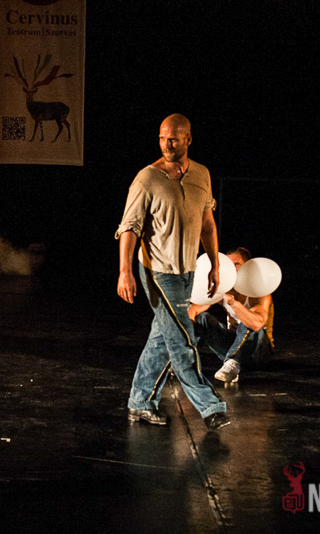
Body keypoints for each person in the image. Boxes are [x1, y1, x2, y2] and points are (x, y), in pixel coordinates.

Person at [116, 113, 230, 430]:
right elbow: (129, 228)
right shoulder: (146, 179)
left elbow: (207, 224)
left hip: (187, 271)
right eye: (162, 138)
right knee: (182, 340)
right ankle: (210, 407)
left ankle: (140, 402)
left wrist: (214, 265)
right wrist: (125, 272)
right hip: (158, 272)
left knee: (162, 338)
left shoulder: (202, 174)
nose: (167, 143)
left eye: (174, 138)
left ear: (188, 139)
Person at [188, 247, 275, 383]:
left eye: (237, 264)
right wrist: (188, 324)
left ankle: (233, 363)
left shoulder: (259, 292)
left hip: (258, 352)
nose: (232, 269)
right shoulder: (226, 289)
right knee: (203, 318)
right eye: (229, 264)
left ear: (247, 266)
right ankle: (183, 360)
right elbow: (193, 310)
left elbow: (256, 323)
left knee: (249, 322)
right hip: (231, 346)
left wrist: (233, 303)